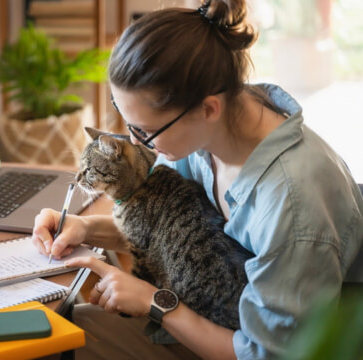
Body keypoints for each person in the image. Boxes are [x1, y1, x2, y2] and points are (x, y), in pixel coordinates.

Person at [32, 0, 363, 358]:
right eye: (128, 125)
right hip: (209, 317)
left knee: (55, 342)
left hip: (251, 346)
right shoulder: (215, 127)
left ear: (207, 109)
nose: (139, 144)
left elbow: (262, 354)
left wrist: (155, 302)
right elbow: (161, 232)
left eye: (146, 131)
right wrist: (84, 228)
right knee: (52, 328)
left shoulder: (293, 204)